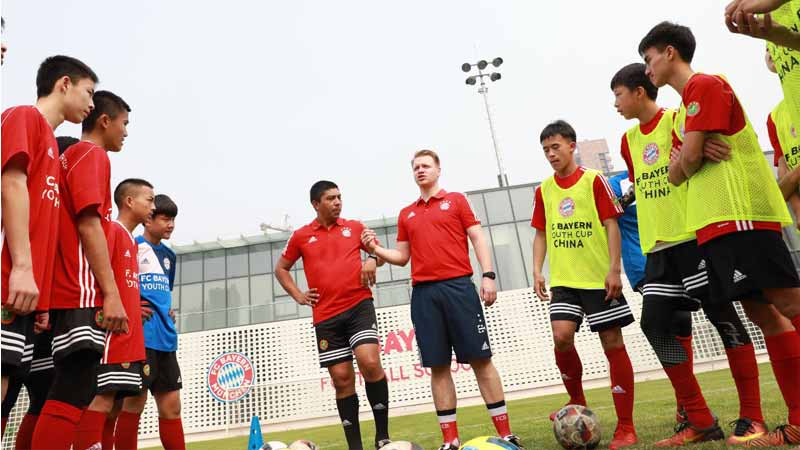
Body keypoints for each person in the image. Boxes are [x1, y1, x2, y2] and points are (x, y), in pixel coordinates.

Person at [640, 21, 800, 447]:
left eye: (649, 58)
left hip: (742, 213)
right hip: (712, 226)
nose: (647, 68)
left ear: (670, 52)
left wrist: (690, 155)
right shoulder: (680, 114)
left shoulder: (706, 85)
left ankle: (758, 416)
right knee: (762, 314)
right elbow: (677, 171)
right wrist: (688, 155)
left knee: (785, 304)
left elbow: (687, 160)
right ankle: (782, 422)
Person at [612, 62, 771, 446]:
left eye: (618, 94)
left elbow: (702, 153)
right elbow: (645, 183)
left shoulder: (678, 120)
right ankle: (699, 419)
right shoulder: (627, 140)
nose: (615, 103)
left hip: (694, 239)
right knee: (654, 325)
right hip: (659, 250)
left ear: (638, 92)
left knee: (725, 321)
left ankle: (752, 415)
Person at [361, 150, 523, 450]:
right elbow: (401, 257)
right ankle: (450, 441)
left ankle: (506, 433)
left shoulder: (457, 200)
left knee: (481, 360)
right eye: (415, 167)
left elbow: (477, 237)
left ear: (438, 169)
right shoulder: (406, 213)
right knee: (438, 367)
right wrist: (375, 249)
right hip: (424, 296)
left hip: (459, 288)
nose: (420, 171)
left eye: (425, 166)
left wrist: (488, 275)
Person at [31, 90, 131, 450]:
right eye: (124, 124)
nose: (126, 132)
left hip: (67, 286)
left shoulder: (70, 156)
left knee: (75, 386)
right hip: (81, 287)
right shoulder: (91, 154)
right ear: (105, 121)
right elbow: (89, 224)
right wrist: (112, 294)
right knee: (72, 385)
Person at [531, 121, 637, 450]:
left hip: (598, 279)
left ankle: (626, 427)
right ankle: (575, 401)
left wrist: (614, 269)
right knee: (561, 337)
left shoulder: (594, 181)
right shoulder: (544, 189)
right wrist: (536, 270)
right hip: (564, 282)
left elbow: (611, 225)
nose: (551, 154)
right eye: (546, 150)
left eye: (556, 147)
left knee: (612, 342)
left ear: (572, 146)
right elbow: (541, 233)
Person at [2, 55, 97, 408]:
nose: (91, 103)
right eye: (88, 92)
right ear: (64, 84)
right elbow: (11, 184)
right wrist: (24, 269)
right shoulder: (23, 117)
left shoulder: (54, 153)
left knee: (8, 394)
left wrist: (42, 298)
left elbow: (41, 227)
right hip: (8, 279)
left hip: (26, 292)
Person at [276, 181, 391, 450]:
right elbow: (281, 268)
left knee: (370, 362)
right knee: (341, 379)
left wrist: (372, 259)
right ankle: (355, 446)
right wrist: (298, 295)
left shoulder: (356, 227)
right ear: (316, 204)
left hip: (359, 306)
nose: (338, 202)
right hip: (326, 317)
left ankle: (382, 436)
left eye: (339, 197)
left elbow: (381, 254)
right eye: (331, 198)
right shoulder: (301, 236)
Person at [0, 136, 77, 448]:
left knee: (38, 394)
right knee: (12, 384)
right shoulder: (29, 193)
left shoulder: (57, 202)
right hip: (24, 300)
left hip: (44, 309)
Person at [73, 179, 153, 450]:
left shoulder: (131, 240)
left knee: (115, 406)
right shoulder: (112, 231)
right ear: (129, 201)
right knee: (103, 400)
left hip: (129, 336)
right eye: (149, 200)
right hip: (111, 335)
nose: (152, 206)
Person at [117, 194, 186, 450]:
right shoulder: (131, 246)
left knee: (172, 408)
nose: (171, 225)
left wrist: (168, 310)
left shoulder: (169, 255)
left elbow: (164, 292)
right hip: (139, 338)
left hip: (166, 339)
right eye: (165, 218)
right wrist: (131, 306)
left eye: (173, 220)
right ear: (149, 219)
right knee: (134, 404)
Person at [606, 170, 646, 290]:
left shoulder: (663, 171)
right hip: (641, 265)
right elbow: (610, 208)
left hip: (673, 255)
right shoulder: (613, 185)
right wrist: (632, 192)